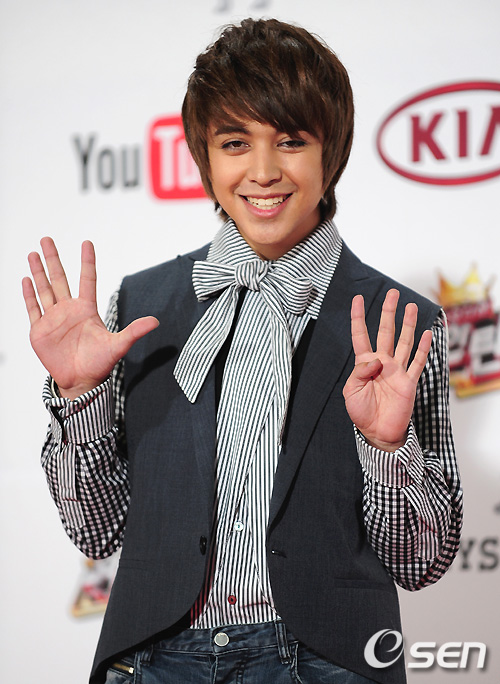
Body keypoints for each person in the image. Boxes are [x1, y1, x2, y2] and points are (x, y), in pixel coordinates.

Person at [22, 17, 462, 684]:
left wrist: (386, 448)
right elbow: (96, 532)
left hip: (330, 662)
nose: (262, 171)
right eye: (235, 142)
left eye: (291, 140)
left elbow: (420, 564)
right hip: (153, 658)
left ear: (332, 151)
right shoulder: (139, 307)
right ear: (204, 157)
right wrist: (80, 398)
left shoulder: (400, 322)